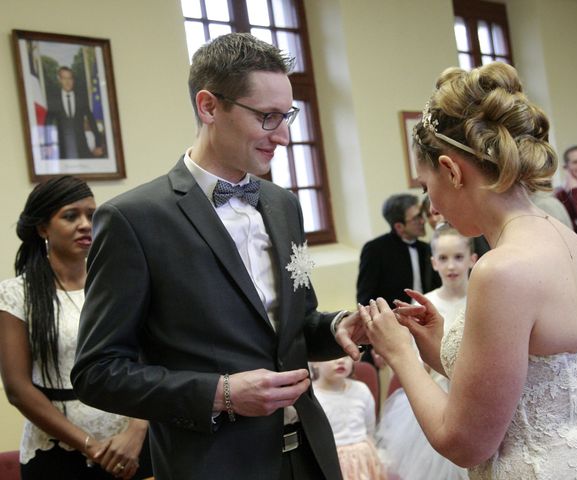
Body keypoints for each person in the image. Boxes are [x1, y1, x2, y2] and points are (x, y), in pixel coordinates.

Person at [71, 33, 366, 480]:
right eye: (267, 118)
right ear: (209, 107)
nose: (284, 136)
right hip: (215, 465)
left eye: (286, 116)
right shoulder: (134, 220)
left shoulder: (283, 205)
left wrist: (337, 326)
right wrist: (220, 392)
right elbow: (98, 372)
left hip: (309, 456)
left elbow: (293, 328)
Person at [360, 62, 577, 479]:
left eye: (426, 185)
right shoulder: (569, 241)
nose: (432, 207)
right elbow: (529, 383)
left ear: (451, 170)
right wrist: (437, 345)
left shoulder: (500, 270)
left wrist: (399, 354)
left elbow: (464, 442)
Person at [0, 176, 150, 480]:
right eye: (71, 216)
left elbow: (151, 361)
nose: (85, 224)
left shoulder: (120, 285)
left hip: (131, 448)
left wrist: (137, 430)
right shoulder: (17, 295)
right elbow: (18, 390)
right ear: (43, 228)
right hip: (57, 454)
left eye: (92, 215)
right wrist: (90, 447)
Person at [376, 225, 474, 480]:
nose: (451, 266)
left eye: (458, 257)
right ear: (433, 262)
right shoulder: (424, 303)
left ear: (472, 259)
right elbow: (418, 356)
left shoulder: (481, 299)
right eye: (443, 258)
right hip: (438, 396)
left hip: (475, 393)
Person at [312, 357, 386, 480]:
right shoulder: (313, 397)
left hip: (363, 460)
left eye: (345, 355)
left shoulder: (362, 390)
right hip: (330, 461)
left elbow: (370, 427)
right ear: (314, 362)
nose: (340, 360)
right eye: (332, 356)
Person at [357, 193, 437, 307]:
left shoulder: (426, 248)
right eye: (416, 217)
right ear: (399, 226)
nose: (423, 221)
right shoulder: (375, 249)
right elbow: (365, 298)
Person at [45, 66, 105, 159]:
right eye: (64, 78)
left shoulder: (81, 98)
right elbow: (48, 123)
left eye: (70, 78)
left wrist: (98, 145)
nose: (67, 82)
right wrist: (48, 145)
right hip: (62, 149)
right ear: (59, 80)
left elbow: (91, 121)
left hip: (82, 148)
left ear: (73, 80)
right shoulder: (53, 100)